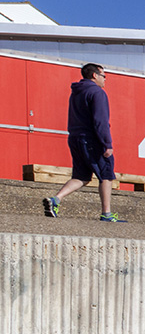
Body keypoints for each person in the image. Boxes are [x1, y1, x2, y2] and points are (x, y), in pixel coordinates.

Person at [43, 63, 124, 222]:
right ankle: (106, 214)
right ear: (95, 75)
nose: (105, 80)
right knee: (106, 174)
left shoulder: (76, 93)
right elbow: (100, 121)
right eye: (103, 76)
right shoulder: (97, 93)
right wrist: (107, 144)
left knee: (82, 176)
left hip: (75, 138)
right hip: (92, 140)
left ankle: (56, 199)